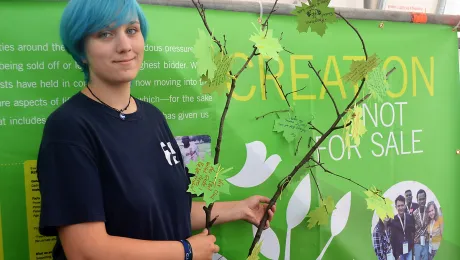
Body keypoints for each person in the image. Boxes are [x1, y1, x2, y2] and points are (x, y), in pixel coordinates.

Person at [36, 1, 276, 259]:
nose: (125, 46)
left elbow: (169, 212)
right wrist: (185, 251)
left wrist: (240, 209)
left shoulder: (152, 117)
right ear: (81, 50)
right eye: (105, 34)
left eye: (131, 30)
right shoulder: (69, 128)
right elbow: (85, 250)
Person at [389, 195, 415, 260]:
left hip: (409, 251)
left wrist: (412, 246)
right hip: (400, 254)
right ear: (396, 207)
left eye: (402, 205)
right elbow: (392, 239)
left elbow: (413, 231)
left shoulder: (409, 217)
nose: (400, 208)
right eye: (398, 206)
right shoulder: (393, 221)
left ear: (405, 205)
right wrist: (396, 255)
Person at [413, 189, 428, 260]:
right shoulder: (414, 214)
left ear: (426, 199)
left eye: (423, 199)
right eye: (420, 199)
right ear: (417, 200)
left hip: (426, 243)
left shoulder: (429, 212)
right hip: (417, 244)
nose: (422, 201)